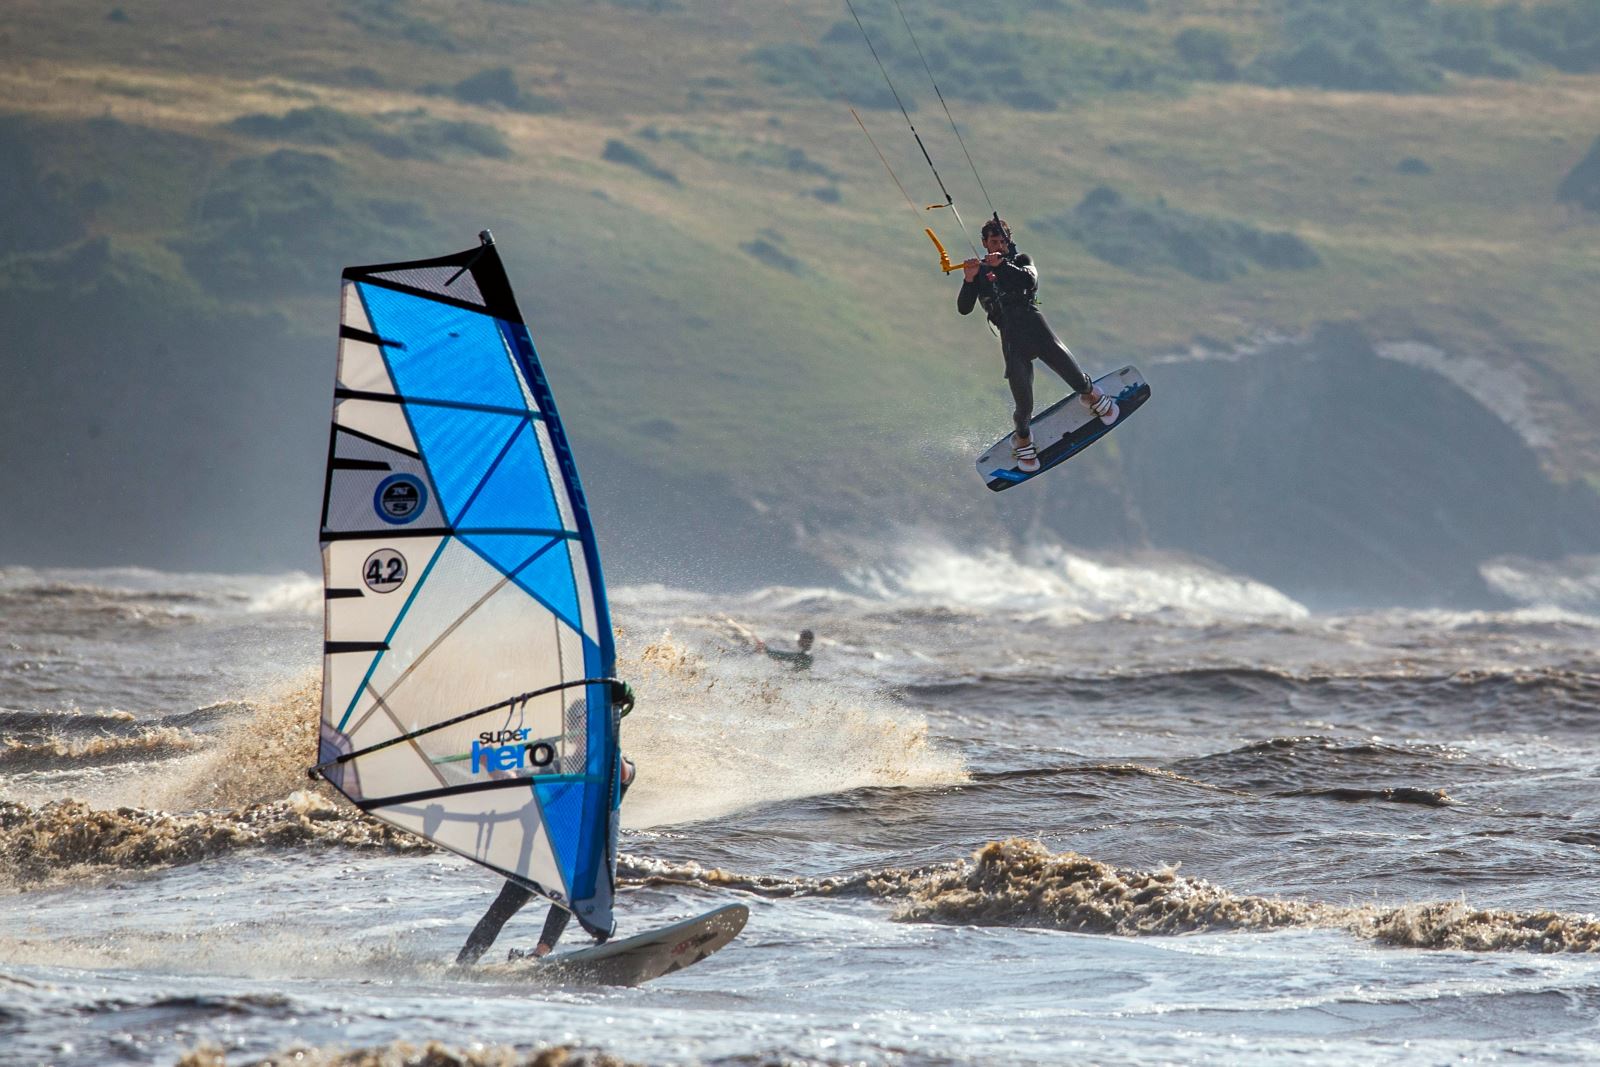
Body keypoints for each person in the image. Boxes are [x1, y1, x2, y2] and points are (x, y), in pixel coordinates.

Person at [957, 215, 1116, 473]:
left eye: (1003, 241)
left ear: (1009, 242)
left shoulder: (1021, 261)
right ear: (984, 243)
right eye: (993, 241)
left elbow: (1029, 281)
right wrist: (969, 279)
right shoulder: (980, 273)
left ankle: (1091, 394)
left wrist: (1001, 266)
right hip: (1012, 338)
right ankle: (1022, 439)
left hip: (1036, 328)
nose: (998, 246)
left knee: (1075, 377)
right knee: (1023, 404)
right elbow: (964, 309)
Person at [454, 754, 635, 965]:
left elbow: (624, 774)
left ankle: (540, 954)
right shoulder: (558, 766)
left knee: (568, 897)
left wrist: (609, 741)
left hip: (579, 860)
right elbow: (516, 780)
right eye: (575, 729)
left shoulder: (618, 766)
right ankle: (463, 963)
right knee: (500, 910)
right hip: (541, 854)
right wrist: (489, 762)